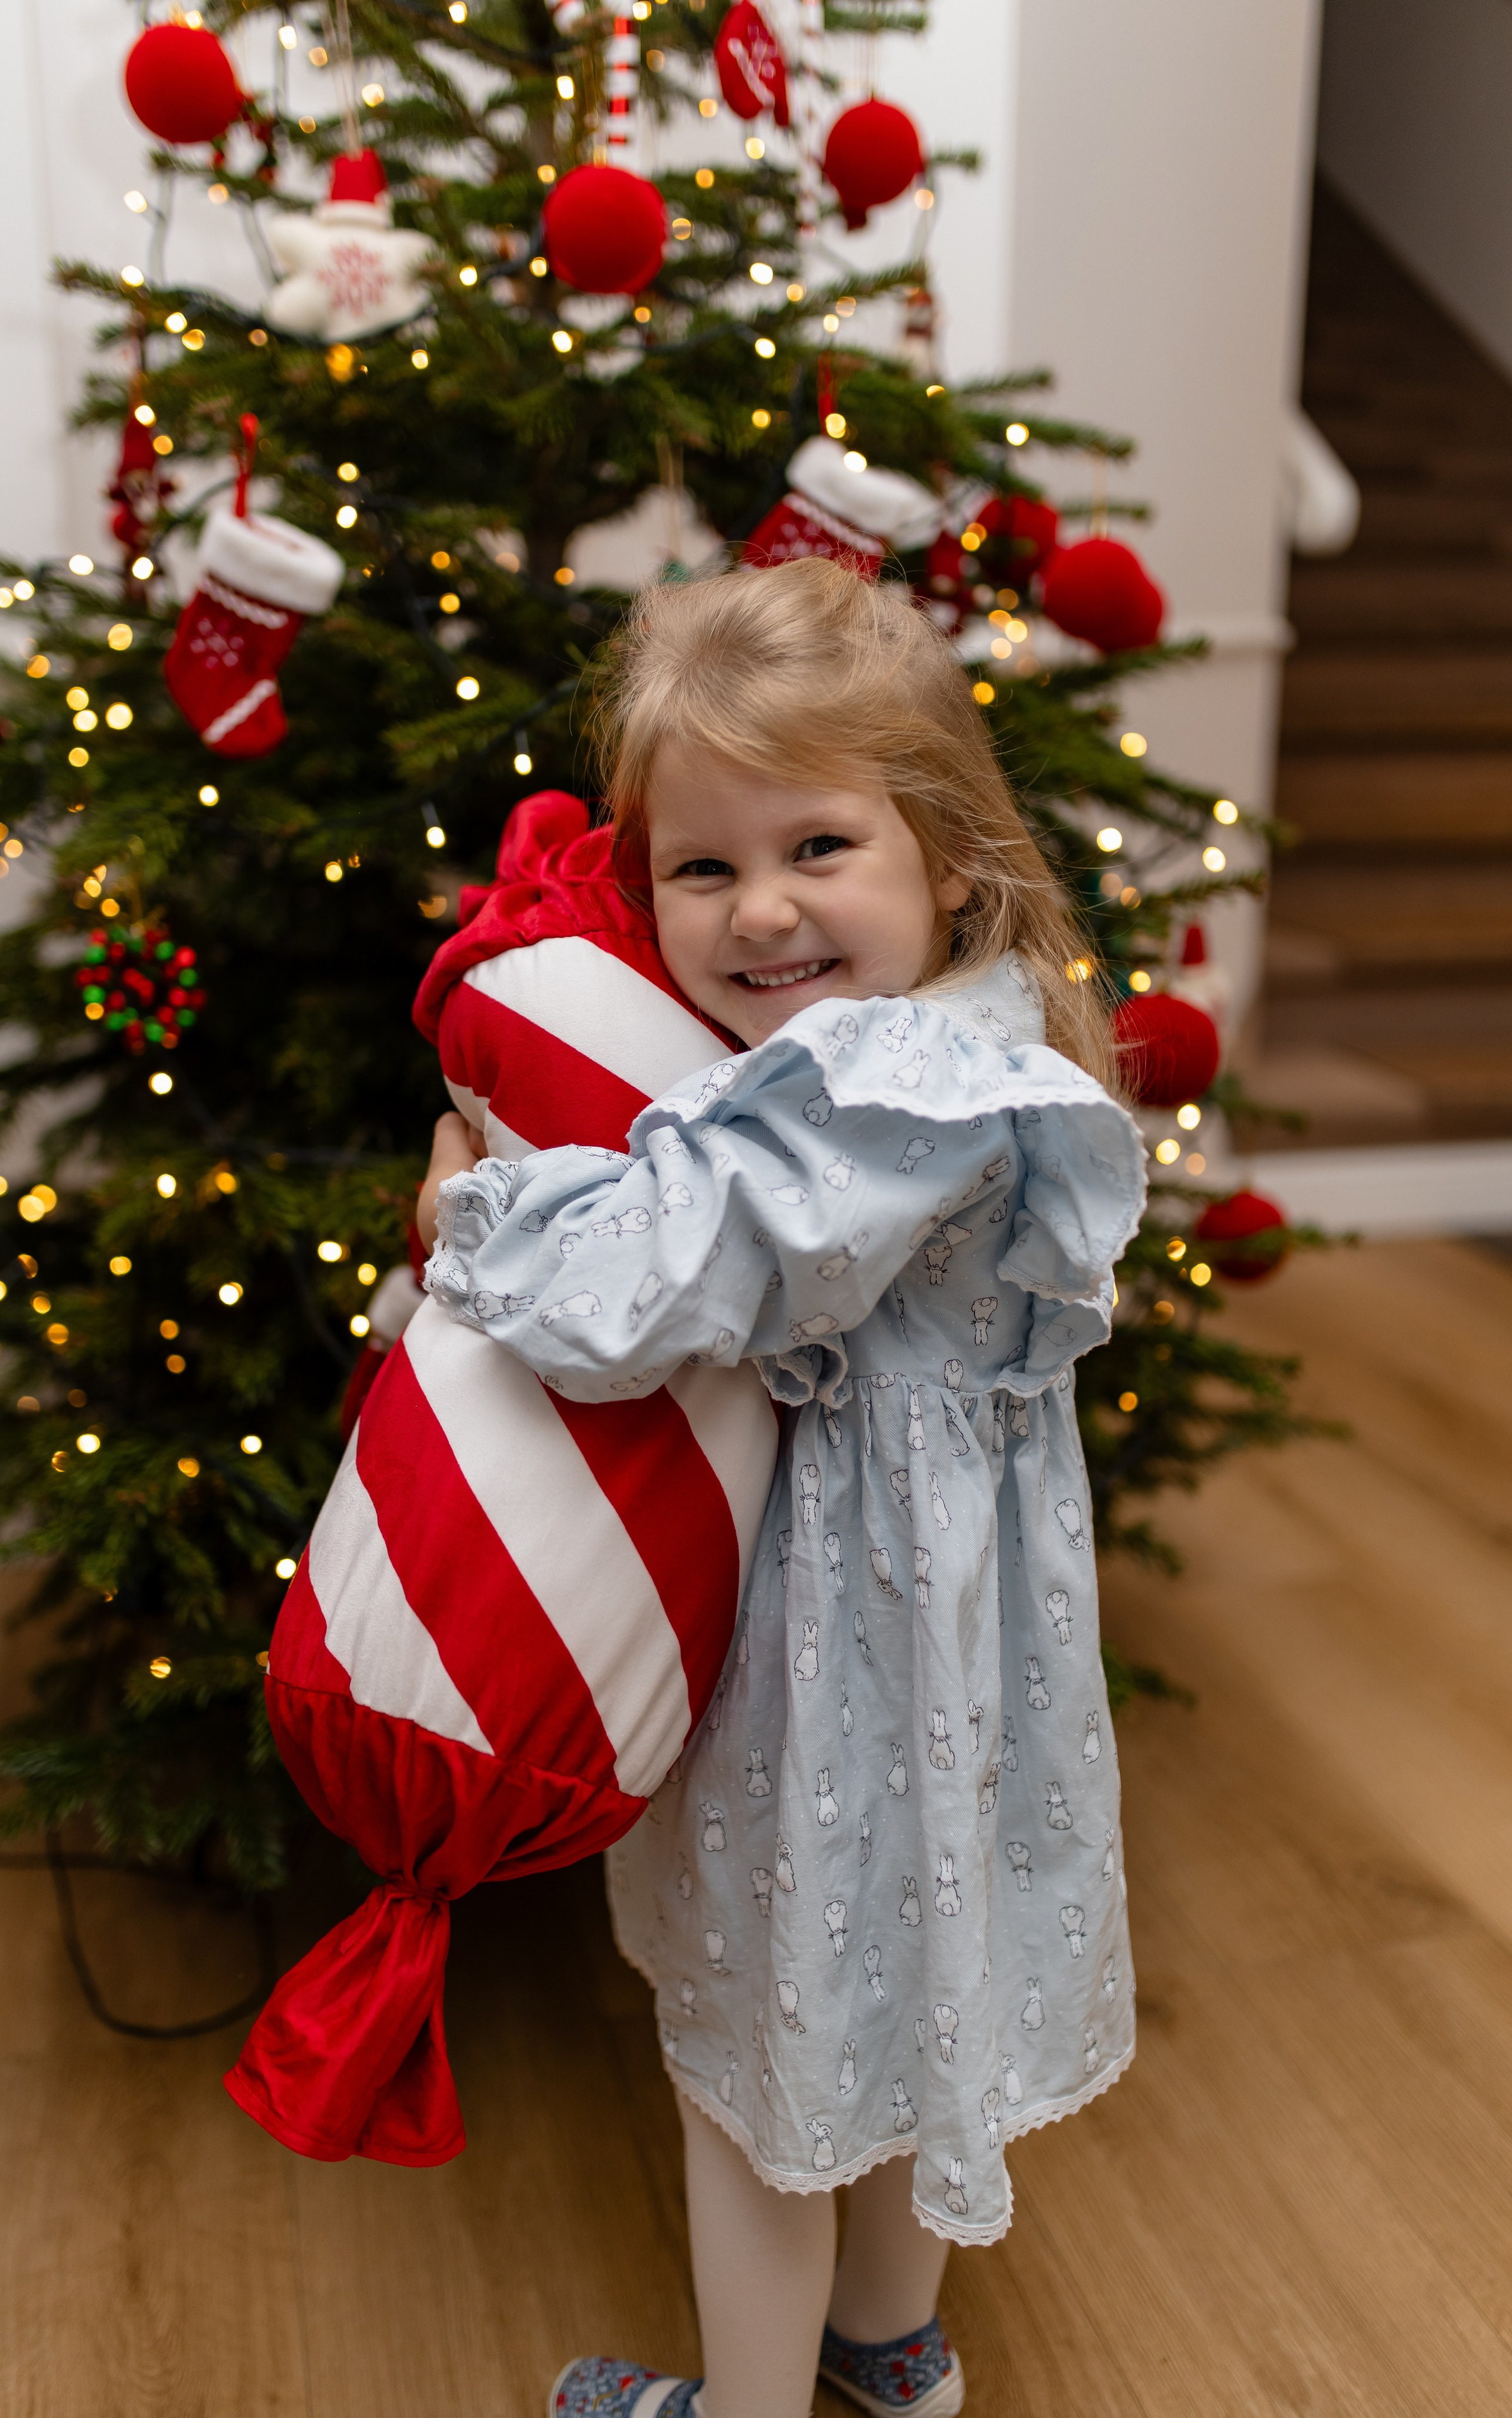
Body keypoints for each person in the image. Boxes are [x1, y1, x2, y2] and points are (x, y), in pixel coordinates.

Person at [418, 559, 1147, 2418]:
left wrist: (472, 1208)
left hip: (839, 1654)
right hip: (957, 1644)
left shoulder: (886, 1084)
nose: (759, 914)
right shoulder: (979, 1030)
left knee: (764, 2051)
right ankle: (884, 2351)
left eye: (818, 846)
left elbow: (666, 1271)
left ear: (951, 857)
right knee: (911, 1997)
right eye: (702, 866)